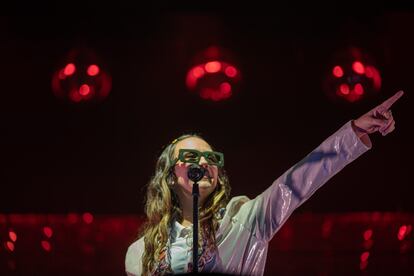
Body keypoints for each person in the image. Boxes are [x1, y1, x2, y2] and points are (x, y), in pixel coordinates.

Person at [125, 91, 404, 276]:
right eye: (190, 156)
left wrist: (353, 132)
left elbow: (295, 185)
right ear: (171, 175)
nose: (203, 161)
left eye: (211, 157)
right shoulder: (139, 253)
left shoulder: (244, 223)